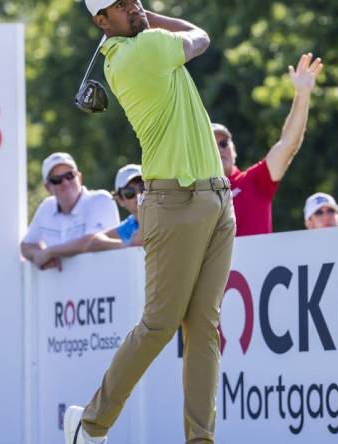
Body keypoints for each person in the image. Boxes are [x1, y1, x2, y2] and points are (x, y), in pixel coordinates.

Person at [64, 2, 236, 444]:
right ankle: (90, 425)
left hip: (216, 198)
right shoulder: (140, 52)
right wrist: (154, 17)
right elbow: (201, 35)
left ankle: (201, 439)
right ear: (102, 22)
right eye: (119, 5)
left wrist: (141, 16)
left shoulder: (138, 47)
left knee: (204, 329)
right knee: (160, 323)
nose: (133, 6)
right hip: (175, 201)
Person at [213, 53, 323, 236]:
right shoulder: (193, 196)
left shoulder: (254, 182)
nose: (219, 150)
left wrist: (302, 95)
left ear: (234, 150)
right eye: (211, 145)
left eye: (223, 143)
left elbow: (288, 144)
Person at [29, 164, 144, 268]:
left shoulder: (160, 216)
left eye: (144, 188)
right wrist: (127, 245)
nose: (139, 195)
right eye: (130, 192)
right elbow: (92, 241)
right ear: (120, 200)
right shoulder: (130, 225)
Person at [21, 152, 120, 271]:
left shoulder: (101, 199)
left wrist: (50, 252)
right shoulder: (46, 207)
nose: (65, 183)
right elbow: (25, 245)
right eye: (56, 180)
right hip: (63, 288)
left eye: (69, 175)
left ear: (79, 177)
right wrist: (37, 254)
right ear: (48, 187)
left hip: (103, 283)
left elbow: (92, 242)